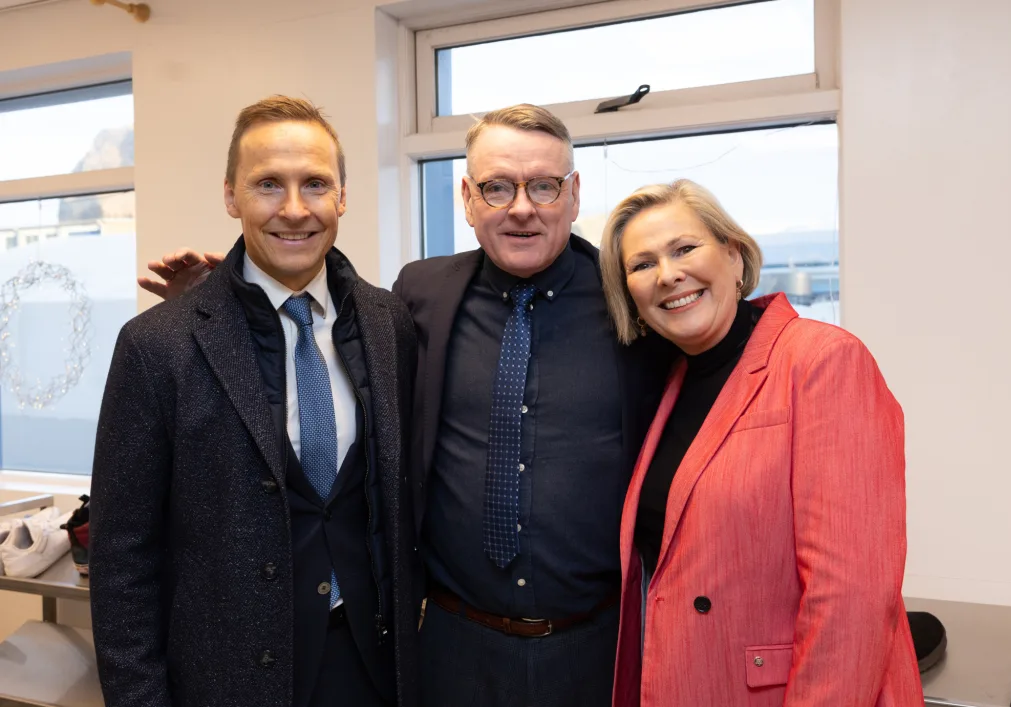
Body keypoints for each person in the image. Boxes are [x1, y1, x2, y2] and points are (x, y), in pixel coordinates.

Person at [140, 104, 676, 707]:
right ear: (467, 198)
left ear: (573, 195)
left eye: (544, 186)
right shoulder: (417, 298)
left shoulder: (633, 301)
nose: (521, 208)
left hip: (595, 647)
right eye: (497, 187)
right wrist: (231, 309)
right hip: (447, 648)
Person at [90, 96, 419, 707]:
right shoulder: (158, 344)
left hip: (372, 669)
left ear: (342, 196)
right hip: (229, 679)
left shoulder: (387, 322)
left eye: (315, 184)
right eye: (268, 184)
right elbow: (122, 558)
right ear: (230, 197)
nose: (294, 209)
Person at [599, 179, 924, 706]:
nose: (668, 274)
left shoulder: (822, 361)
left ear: (733, 254)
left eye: (684, 248)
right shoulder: (671, 384)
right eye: (642, 264)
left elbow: (852, 596)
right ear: (630, 295)